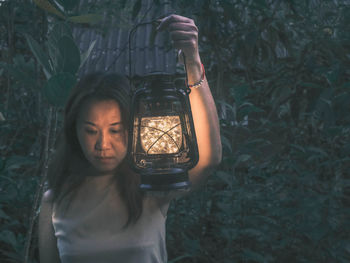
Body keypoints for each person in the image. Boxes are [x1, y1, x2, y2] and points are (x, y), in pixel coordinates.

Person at [38, 14, 222, 263]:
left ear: (136, 129)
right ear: (74, 131)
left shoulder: (151, 187)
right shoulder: (55, 200)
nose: (103, 144)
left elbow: (209, 158)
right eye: (91, 130)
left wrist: (192, 60)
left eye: (115, 129)